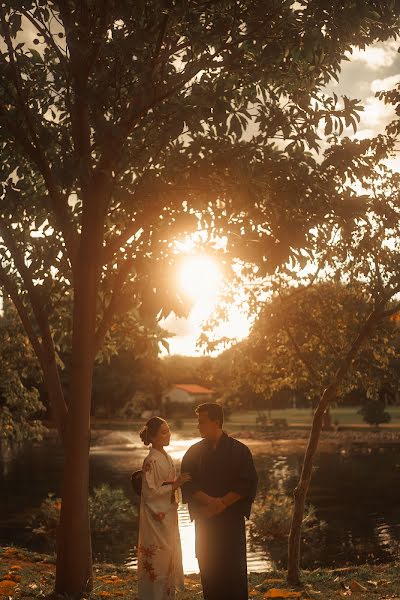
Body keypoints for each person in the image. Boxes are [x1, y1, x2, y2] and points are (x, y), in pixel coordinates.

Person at [181, 403, 258, 600]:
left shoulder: (240, 451)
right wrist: (211, 503)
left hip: (231, 521)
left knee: (234, 572)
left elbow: (246, 483)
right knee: (208, 571)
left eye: (202, 422)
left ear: (216, 422)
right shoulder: (193, 452)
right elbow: (188, 483)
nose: (198, 426)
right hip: (205, 520)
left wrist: (222, 504)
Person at [137, 416, 191, 600]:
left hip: (168, 513)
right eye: (164, 432)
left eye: (169, 430)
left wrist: (175, 487)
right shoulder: (151, 461)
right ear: (152, 437)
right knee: (158, 558)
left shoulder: (166, 457)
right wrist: (175, 485)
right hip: (156, 517)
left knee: (169, 555)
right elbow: (150, 493)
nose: (168, 435)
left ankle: (168, 596)